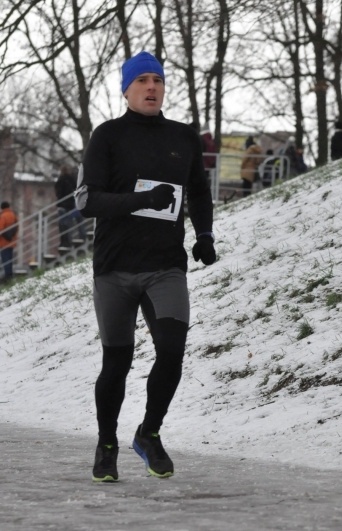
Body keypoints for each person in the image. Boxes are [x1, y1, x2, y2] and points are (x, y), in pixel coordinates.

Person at [76, 51, 216, 483]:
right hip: (115, 267)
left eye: (157, 79)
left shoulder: (184, 136)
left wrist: (205, 235)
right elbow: (87, 201)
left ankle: (148, 433)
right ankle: (107, 445)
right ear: (126, 89)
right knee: (116, 362)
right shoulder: (108, 136)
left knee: (172, 350)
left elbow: (198, 192)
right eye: (142, 81)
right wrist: (142, 199)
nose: (152, 87)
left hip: (164, 265)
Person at [55, 164, 86, 248]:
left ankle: (66, 242)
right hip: (72, 204)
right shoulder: (72, 179)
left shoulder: (61, 180)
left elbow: (58, 193)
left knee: (64, 224)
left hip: (65, 205)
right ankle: (81, 237)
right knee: (76, 221)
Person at [0, 201, 18, 284]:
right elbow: (16, 226)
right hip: (12, 241)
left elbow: (1, 228)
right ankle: (10, 274)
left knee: (5, 259)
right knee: (10, 259)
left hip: (4, 242)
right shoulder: (13, 215)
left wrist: (6, 237)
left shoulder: (3, 216)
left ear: (2, 208)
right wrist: (11, 236)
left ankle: (7, 276)